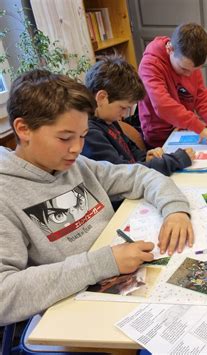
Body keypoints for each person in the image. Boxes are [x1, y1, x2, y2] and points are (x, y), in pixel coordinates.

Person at [0, 69, 194, 325]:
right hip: (78, 312)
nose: (77, 148)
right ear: (23, 129)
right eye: (65, 138)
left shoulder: (77, 165)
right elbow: (4, 296)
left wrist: (175, 209)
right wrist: (103, 263)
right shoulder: (6, 194)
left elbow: (140, 176)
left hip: (123, 280)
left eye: (82, 136)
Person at [82, 55, 195, 176]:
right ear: (102, 98)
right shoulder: (89, 133)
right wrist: (175, 160)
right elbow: (124, 174)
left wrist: (146, 157)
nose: (124, 114)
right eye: (123, 107)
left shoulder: (107, 119)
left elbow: (131, 149)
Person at [138, 22, 207, 148]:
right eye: (184, 69)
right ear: (170, 49)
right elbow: (163, 105)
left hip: (183, 130)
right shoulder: (150, 65)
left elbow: (201, 100)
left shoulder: (189, 63)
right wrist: (198, 127)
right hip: (159, 138)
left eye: (194, 70)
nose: (189, 75)